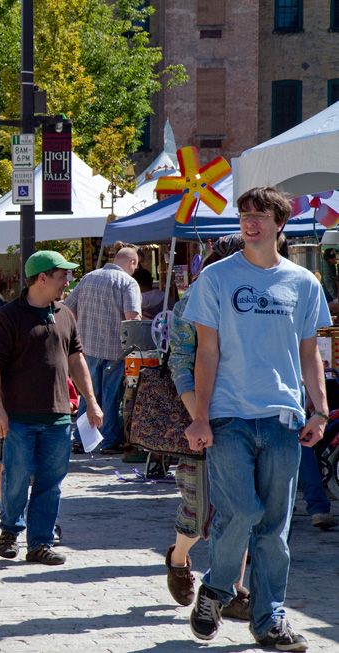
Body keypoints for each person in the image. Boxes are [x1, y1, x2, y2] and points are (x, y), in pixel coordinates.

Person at [183, 187, 331, 651]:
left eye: (260, 215)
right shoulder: (216, 278)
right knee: (242, 511)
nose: (249, 222)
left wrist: (320, 409)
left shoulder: (304, 283)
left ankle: (270, 621)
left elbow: (310, 355)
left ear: (279, 223)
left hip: (284, 419)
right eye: (244, 214)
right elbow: (205, 352)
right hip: (229, 418)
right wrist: (200, 417)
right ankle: (218, 588)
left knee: (275, 528)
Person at [0, 251, 103, 565]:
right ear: (42, 278)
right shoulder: (9, 315)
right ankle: (10, 529)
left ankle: (40, 543)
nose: (68, 280)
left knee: (51, 482)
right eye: (62, 275)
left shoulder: (65, 313)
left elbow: (77, 360)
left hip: (58, 415)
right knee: (18, 475)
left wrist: (90, 402)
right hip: (19, 416)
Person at [165, 234, 251, 620]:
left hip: (247, 416)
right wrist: (199, 415)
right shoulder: (194, 302)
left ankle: (234, 588)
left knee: (243, 508)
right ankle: (179, 556)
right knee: (199, 513)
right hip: (200, 416)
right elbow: (180, 362)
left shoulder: (257, 303)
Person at [63, 246, 141, 454]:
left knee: (88, 394)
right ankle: (109, 442)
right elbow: (132, 317)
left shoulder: (89, 278)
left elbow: (68, 307)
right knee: (110, 396)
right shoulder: (128, 282)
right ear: (131, 262)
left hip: (87, 346)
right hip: (116, 348)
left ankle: (81, 439)